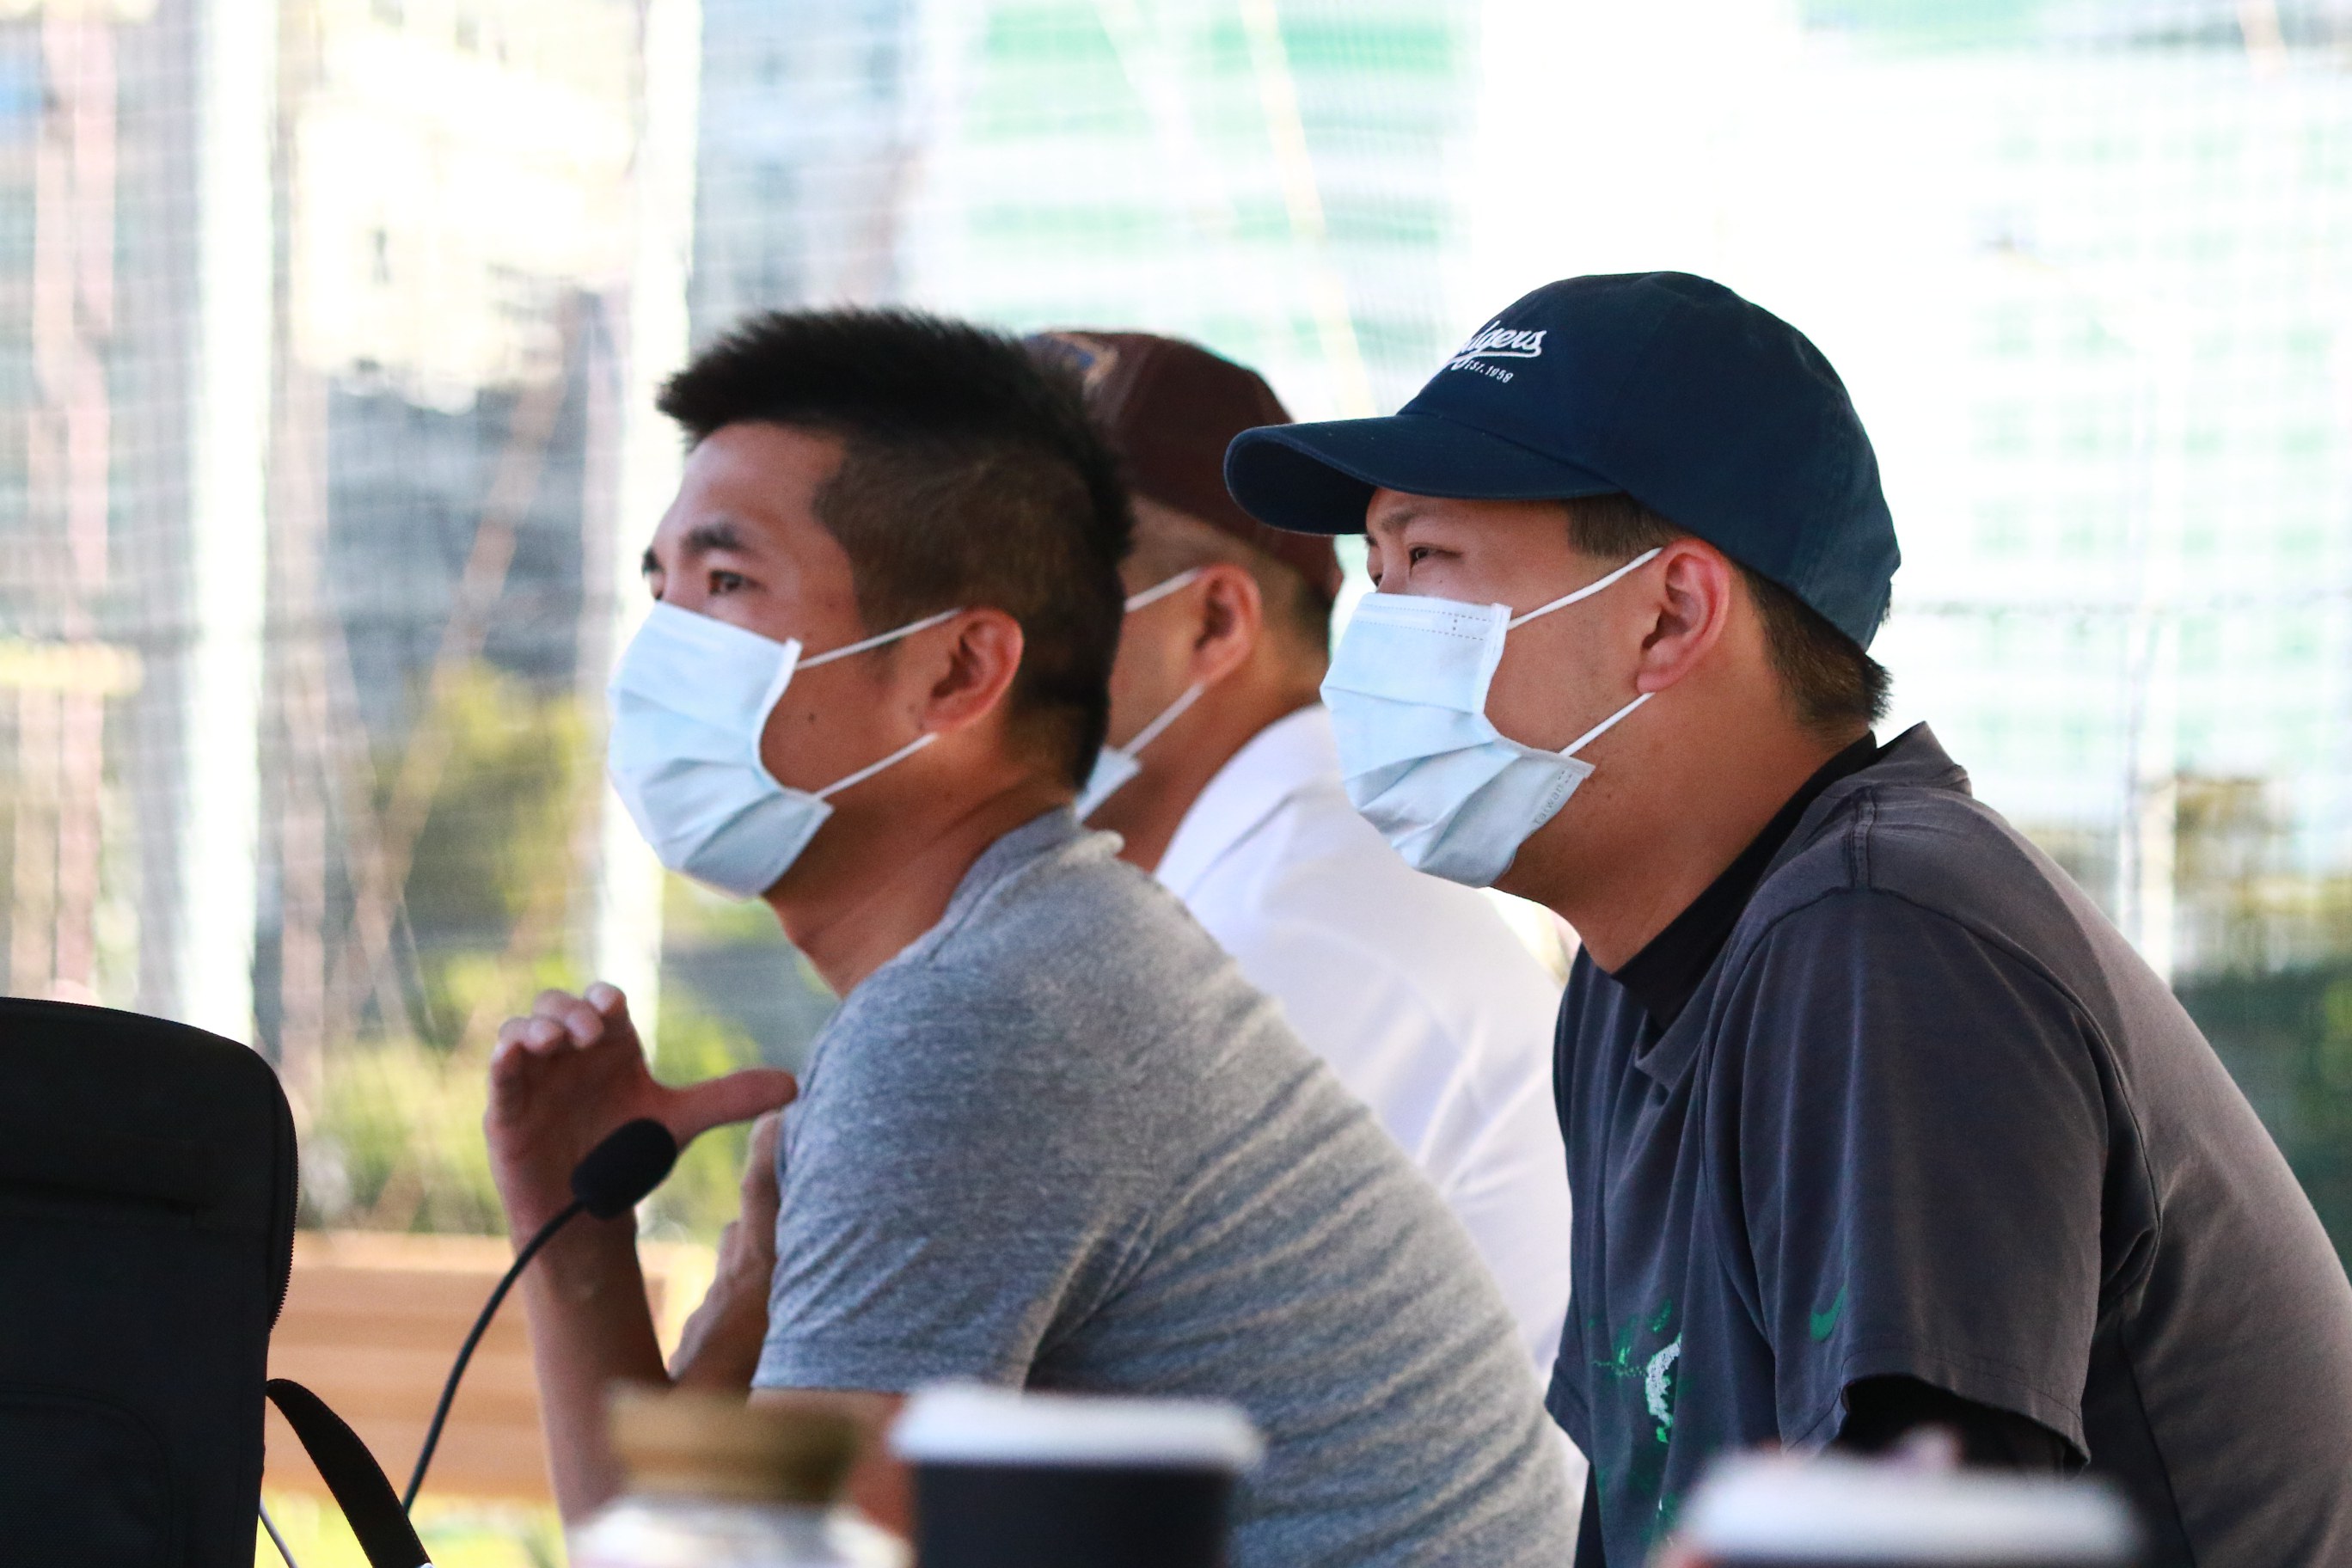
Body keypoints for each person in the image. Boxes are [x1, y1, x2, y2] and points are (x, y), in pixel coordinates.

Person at [1222, 271, 2352, 1566]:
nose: (1376, 631)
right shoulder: (1630, 987)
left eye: (1425, 560)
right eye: (1374, 571)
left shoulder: (1885, 940)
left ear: (1671, 614)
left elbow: (1910, 1540)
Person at [484, 309, 1576, 1566]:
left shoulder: (988, 1017)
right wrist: (587, 1244)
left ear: (958, 672)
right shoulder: (1035, 956)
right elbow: (678, 1544)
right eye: (661, 588)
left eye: (727, 584)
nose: (664, 650)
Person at [1028, 328, 1575, 1371]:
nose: (961, 643)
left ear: (1210, 623)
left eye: (1017, 589)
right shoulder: (1238, 891)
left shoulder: (1280, 938)